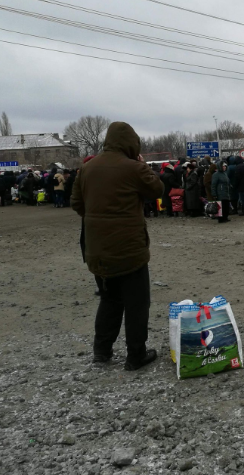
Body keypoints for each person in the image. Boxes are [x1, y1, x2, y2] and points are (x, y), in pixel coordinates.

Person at [71, 121, 164, 370]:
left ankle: (101, 352)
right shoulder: (133, 168)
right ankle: (136, 355)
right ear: (131, 143)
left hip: (96, 249)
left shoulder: (87, 169)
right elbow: (158, 188)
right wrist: (142, 164)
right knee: (137, 303)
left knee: (109, 300)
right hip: (129, 249)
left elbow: (77, 204)